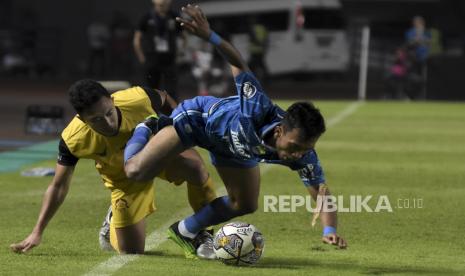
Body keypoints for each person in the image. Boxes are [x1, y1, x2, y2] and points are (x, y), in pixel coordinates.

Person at [123, 4, 347, 258]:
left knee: (245, 203)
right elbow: (238, 63)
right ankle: (147, 126)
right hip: (197, 123)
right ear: (280, 131)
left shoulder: (303, 153)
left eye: (306, 149)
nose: (298, 154)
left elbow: (321, 192)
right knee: (135, 171)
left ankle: (184, 231)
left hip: (233, 149)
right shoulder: (257, 107)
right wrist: (210, 36)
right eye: (294, 147)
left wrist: (329, 228)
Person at [10, 80, 217, 257]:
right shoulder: (73, 139)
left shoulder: (138, 98)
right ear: (82, 119)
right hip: (125, 181)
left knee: (195, 167)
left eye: (109, 112)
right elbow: (58, 186)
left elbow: (163, 97)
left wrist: (180, 128)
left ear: (112, 100)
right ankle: (111, 225)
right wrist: (37, 231)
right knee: (131, 251)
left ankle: (202, 233)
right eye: (96, 120)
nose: (108, 122)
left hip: (155, 155)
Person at [133, 0, 186, 101]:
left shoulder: (175, 16)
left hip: (169, 58)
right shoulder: (147, 17)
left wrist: (180, 53)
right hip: (152, 58)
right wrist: (142, 57)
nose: (162, 2)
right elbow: (137, 39)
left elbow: (184, 37)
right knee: (151, 89)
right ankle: (152, 113)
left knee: (172, 90)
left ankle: (173, 113)